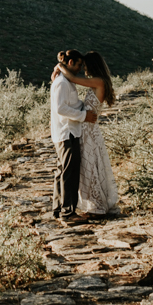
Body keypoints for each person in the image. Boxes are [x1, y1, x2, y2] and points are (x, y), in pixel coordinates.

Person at [52, 50, 119, 218]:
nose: (84, 69)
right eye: (81, 65)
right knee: (89, 167)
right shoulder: (96, 82)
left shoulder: (98, 81)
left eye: (86, 65)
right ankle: (85, 205)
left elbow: (73, 79)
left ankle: (95, 205)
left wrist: (59, 65)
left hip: (88, 130)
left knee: (90, 167)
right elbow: (77, 102)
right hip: (85, 129)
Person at [49, 49, 94, 221]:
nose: (81, 68)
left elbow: (72, 104)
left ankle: (58, 209)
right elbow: (60, 108)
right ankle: (68, 213)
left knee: (62, 172)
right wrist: (84, 116)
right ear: (70, 63)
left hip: (68, 132)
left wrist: (84, 106)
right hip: (66, 133)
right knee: (69, 173)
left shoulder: (67, 82)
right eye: (79, 64)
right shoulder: (61, 83)